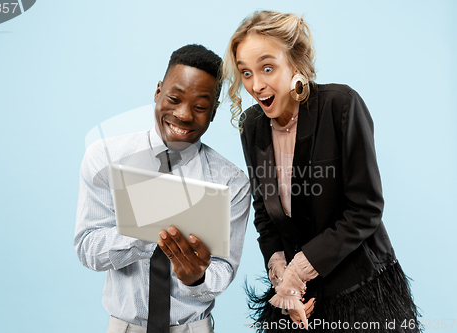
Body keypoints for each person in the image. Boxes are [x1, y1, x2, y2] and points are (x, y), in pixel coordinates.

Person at [223, 11, 420, 332]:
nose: (256, 85)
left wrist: (297, 272)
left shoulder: (341, 106)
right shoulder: (252, 125)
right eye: (245, 73)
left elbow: (365, 209)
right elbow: (264, 211)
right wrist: (282, 280)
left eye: (267, 68)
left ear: (295, 63)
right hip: (297, 296)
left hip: (360, 289)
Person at [75, 44, 251, 333]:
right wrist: (143, 234)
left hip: (192, 328)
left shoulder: (231, 182)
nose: (183, 115)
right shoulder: (104, 158)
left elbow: (223, 268)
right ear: (158, 92)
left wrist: (197, 278)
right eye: (174, 98)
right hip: (124, 327)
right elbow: (87, 247)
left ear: (214, 112)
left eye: (199, 107)